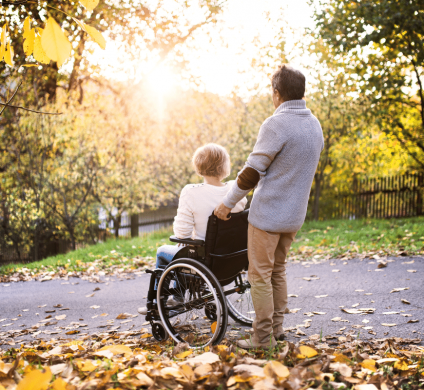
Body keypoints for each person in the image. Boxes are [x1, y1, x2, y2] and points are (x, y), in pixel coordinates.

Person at [215, 65, 324, 350]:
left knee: (259, 274)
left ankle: (262, 339)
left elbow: (252, 172)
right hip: (294, 216)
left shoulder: (276, 124)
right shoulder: (314, 125)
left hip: (268, 216)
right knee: (278, 271)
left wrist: (227, 204)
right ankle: (276, 330)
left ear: (277, 94)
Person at [138, 143, 247, 315]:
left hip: (206, 260)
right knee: (188, 250)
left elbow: (182, 234)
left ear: (198, 166)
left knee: (163, 251)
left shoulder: (191, 192)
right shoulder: (235, 191)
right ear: (225, 166)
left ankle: (164, 301)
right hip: (233, 257)